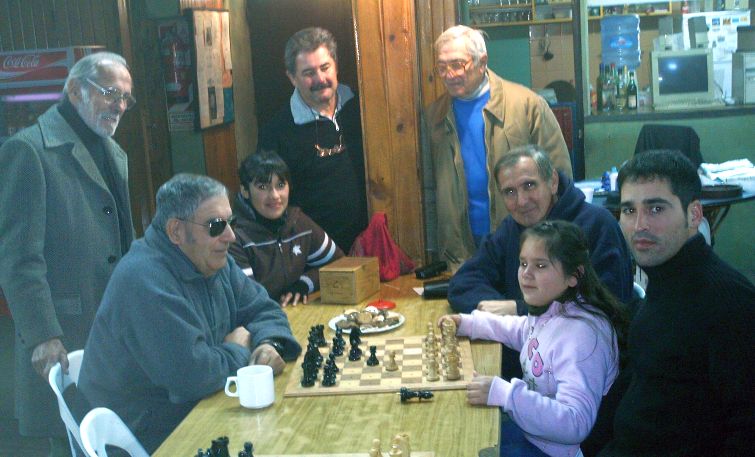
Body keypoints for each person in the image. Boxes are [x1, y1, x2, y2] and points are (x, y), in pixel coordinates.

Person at [75, 174, 302, 452]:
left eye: (230, 222)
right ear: (176, 231)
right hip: (141, 434)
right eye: (216, 226)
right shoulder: (143, 279)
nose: (230, 236)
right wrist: (241, 348)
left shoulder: (212, 260)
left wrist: (268, 343)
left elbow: (264, 308)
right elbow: (194, 376)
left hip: (192, 408)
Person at [0, 51, 136, 456]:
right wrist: (43, 335)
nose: (119, 105)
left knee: (106, 437)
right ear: (75, 90)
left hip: (110, 326)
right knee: (68, 440)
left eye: (126, 97)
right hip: (65, 332)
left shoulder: (113, 151)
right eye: (110, 93)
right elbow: (19, 260)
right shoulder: (28, 151)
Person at [599, 150, 755, 456]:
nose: (639, 225)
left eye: (656, 208)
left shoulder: (730, 303)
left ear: (694, 215)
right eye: (629, 210)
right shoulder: (663, 281)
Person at [440, 220, 627, 457]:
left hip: (557, 451)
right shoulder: (553, 309)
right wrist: (470, 324)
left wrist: (506, 394)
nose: (526, 274)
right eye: (523, 263)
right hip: (534, 435)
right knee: (461, 433)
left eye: (540, 265)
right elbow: (523, 331)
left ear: (574, 275)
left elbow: (576, 423)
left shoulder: (581, 337)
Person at [426, 25, 573, 264]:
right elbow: (429, 189)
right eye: (442, 67)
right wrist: (433, 250)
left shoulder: (528, 106)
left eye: (457, 65)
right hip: (460, 251)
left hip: (525, 243)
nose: (449, 75)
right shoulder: (435, 116)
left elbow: (561, 180)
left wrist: (554, 244)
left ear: (482, 62)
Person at [448, 145, 633, 316]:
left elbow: (607, 305)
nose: (521, 201)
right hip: (523, 337)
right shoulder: (511, 228)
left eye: (529, 186)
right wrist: (506, 312)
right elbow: (463, 284)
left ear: (553, 182)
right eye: (510, 192)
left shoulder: (598, 225)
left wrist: (520, 310)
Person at [258, 27, 368, 251]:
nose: (320, 79)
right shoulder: (276, 132)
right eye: (309, 73)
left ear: (336, 65)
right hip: (314, 255)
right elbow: (270, 203)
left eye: (325, 68)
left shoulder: (362, 107)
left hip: (369, 245)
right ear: (292, 78)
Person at [229, 150, 344, 306]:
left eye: (280, 185)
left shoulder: (299, 222)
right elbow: (248, 299)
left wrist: (305, 283)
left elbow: (339, 263)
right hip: (259, 317)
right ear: (245, 191)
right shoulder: (233, 235)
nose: (275, 195)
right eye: (262, 187)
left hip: (294, 312)